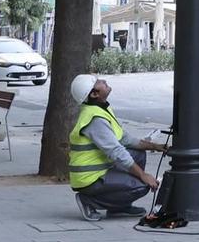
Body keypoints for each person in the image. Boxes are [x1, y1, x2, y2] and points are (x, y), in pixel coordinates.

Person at [67, 74, 165, 221]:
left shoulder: (101, 109)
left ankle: (120, 207)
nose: (104, 81)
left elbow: (125, 139)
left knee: (139, 153)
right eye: (99, 82)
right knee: (141, 186)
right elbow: (117, 152)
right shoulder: (95, 119)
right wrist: (143, 176)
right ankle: (89, 201)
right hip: (89, 179)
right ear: (94, 94)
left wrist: (156, 147)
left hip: (100, 171)